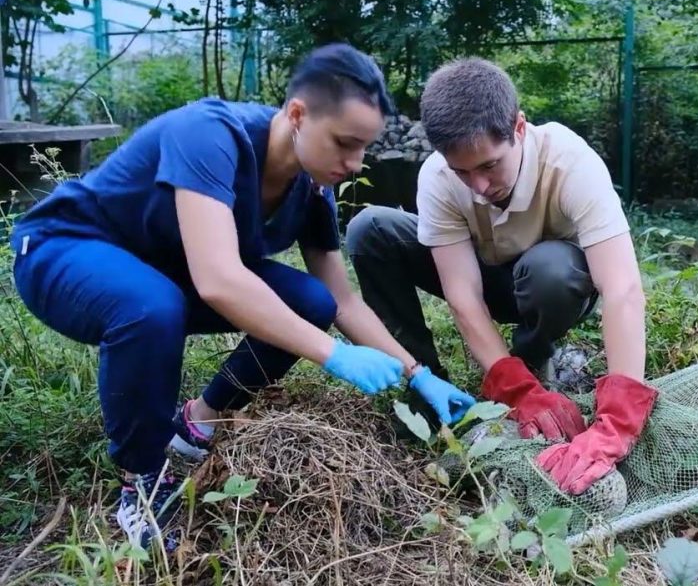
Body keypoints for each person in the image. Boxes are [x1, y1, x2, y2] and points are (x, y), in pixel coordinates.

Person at [8, 43, 475, 549]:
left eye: (364, 147)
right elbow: (218, 280)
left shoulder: (311, 187)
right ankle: (142, 483)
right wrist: (333, 355)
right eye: (344, 143)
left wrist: (417, 373)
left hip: (161, 272)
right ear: (297, 114)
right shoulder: (210, 135)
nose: (355, 162)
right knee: (151, 305)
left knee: (310, 303)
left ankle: (196, 426)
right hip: (65, 251)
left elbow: (343, 301)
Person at [345, 58, 657, 495]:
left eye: (489, 166)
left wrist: (617, 420)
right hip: (488, 278)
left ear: (519, 128)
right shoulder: (438, 177)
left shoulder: (571, 163)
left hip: (554, 284)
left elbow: (622, 288)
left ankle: (534, 354)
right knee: (370, 229)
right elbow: (463, 295)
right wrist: (514, 391)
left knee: (551, 269)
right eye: (462, 171)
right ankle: (427, 390)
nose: (477, 186)